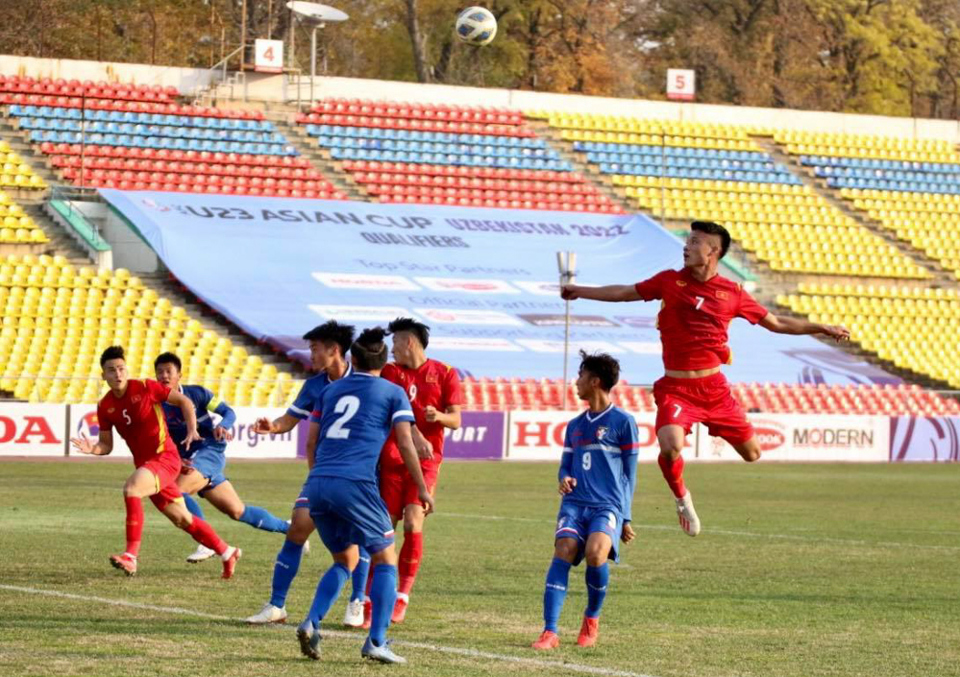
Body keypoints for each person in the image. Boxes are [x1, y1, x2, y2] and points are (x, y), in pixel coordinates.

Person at [561, 220, 850, 536]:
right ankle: (682, 497)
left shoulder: (733, 293)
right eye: (687, 240)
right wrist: (580, 291)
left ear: (713, 251)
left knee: (752, 454)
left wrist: (822, 327)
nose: (686, 246)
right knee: (670, 445)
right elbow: (625, 292)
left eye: (695, 241)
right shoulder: (670, 281)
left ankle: (712, 425)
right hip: (676, 388)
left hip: (714, 389)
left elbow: (777, 322)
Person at [296, 327, 434, 665]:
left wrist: (317, 478)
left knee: (345, 560)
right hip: (356, 484)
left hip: (318, 484)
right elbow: (405, 442)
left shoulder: (330, 392)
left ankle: (311, 621)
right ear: (384, 362)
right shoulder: (393, 391)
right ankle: (377, 641)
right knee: (386, 559)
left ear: (352, 359)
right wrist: (421, 487)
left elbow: (311, 442)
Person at [69, 345, 241, 578]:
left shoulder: (145, 387)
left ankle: (130, 556)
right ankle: (227, 551)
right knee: (183, 519)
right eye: (111, 370)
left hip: (165, 458)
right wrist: (93, 449)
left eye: (121, 368)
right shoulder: (105, 406)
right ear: (104, 375)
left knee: (132, 489)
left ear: (126, 370)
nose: (118, 374)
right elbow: (106, 445)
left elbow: (185, 402)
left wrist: (192, 429)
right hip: (147, 466)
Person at [245, 321, 355, 625]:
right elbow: (289, 420)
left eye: (315, 349)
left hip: (356, 477)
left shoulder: (364, 380)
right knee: (297, 528)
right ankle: (276, 605)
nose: (311, 355)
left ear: (334, 350)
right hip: (321, 475)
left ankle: (358, 602)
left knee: (356, 540)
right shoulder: (314, 385)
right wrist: (273, 427)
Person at [354, 317, 461, 627]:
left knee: (414, 521)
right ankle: (373, 602)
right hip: (391, 459)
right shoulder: (389, 373)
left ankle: (402, 597)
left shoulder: (445, 373)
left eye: (397, 342)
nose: (393, 349)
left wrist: (438, 416)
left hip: (427, 460)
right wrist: (414, 433)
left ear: (410, 342)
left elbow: (456, 420)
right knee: (383, 529)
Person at [532, 351, 639, 650]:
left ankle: (591, 618)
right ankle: (550, 631)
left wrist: (626, 517)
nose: (575, 382)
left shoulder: (623, 422)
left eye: (580, 376)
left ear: (594, 381)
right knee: (564, 549)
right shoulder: (574, 425)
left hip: (608, 505)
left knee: (595, 553)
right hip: (575, 503)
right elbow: (565, 465)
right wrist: (563, 477)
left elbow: (630, 474)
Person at [153, 352, 290, 564]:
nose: (164, 376)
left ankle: (206, 543)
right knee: (237, 511)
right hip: (190, 459)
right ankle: (288, 528)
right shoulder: (157, 406)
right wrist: (177, 461)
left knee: (176, 492)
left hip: (209, 450)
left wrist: (223, 425)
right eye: (159, 372)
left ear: (179, 374)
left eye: (168, 371)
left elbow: (228, 412)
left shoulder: (197, 394)